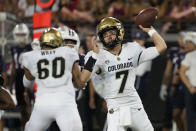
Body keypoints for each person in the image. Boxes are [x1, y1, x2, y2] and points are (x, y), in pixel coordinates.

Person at [79, 17, 167, 131]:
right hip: (115, 108)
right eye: (105, 35)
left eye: (111, 33)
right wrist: (94, 56)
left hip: (135, 105)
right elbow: (83, 79)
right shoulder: (97, 55)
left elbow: (162, 47)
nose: (109, 37)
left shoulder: (132, 49)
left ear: (120, 32)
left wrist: (150, 30)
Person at [22, 28, 83, 131]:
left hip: (42, 103)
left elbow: (27, 83)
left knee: (30, 128)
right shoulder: (69, 52)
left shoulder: (32, 56)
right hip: (64, 100)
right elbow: (80, 82)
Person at [9, 23, 32, 129]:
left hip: (28, 76)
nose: (20, 37)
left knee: (29, 106)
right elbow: (13, 66)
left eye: (22, 34)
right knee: (22, 108)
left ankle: (32, 127)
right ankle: (24, 128)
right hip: (18, 78)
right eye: (18, 34)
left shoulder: (30, 47)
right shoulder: (13, 48)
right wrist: (10, 84)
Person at [180, 32, 196, 131]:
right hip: (193, 90)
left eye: (189, 42)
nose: (186, 44)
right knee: (190, 116)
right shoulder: (189, 56)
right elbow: (182, 72)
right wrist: (190, 87)